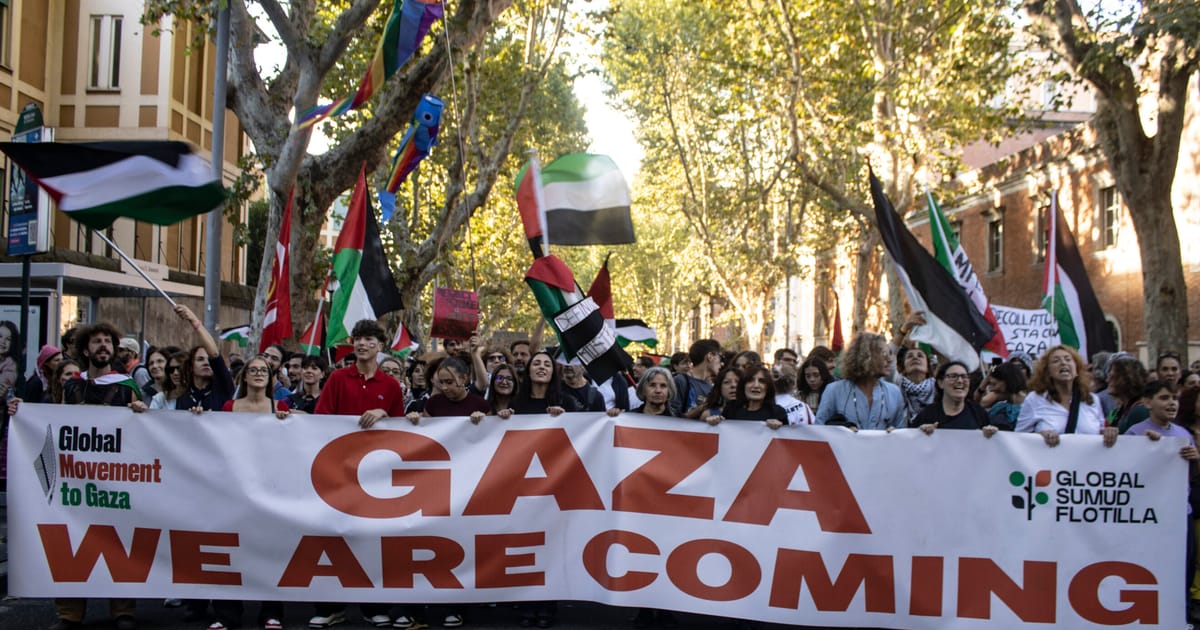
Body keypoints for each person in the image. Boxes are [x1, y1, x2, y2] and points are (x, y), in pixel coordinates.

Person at [309, 319, 407, 629]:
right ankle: (330, 606)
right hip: (338, 472)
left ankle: (372, 605)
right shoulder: (338, 378)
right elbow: (321, 420)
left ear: (380, 346)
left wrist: (385, 413)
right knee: (334, 536)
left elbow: (402, 432)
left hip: (375, 477)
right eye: (358, 339)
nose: (362, 344)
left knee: (372, 539)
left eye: (368, 339)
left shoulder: (390, 387)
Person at [54, 321, 147, 630]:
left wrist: (140, 414)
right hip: (80, 477)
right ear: (85, 349)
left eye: (108, 341)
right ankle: (70, 614)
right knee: (74, 541)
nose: (103, 346)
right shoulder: (72, 385)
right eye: (97, 342)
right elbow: (59, 424)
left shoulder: (127, 386)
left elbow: (143, 430)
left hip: (118, 477)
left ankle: (123, 611)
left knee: (119, 541)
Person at [209, 354, 289, 630]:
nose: (257, 373)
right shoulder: (230, 407)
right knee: (231, 550)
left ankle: (271, 612)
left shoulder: (280, 406)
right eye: (252, 369)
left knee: (269, 551)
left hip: (270, 489)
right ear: (243, 377)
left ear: (270, 378)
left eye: (263, 370)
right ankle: (226, 614)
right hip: (235, 487)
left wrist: (289, 420)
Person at [1124, 379, 1199, 620]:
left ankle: (1181, 618)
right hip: (1148, 518)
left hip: (1180, 514)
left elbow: (1190, 477)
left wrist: (1195, 459)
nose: (1172, 403)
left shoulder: (1183, 434)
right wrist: (1145, 448)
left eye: (1174, 398)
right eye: (1164, 398)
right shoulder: (1136, 432)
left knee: (1183, 570)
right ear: (1147, 402)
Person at [1016, 345, 1117, 448]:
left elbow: (1099, 431)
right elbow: (1019, 438)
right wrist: (1039, 437)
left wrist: (1108, 432)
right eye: (1056, 361)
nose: (1063, 363)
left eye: (1068, 359)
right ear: (1047, 371)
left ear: (1077, 368)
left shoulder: (1092, 399)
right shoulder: (1035, 399)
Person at [815, 332, 905, 431]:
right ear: (866, 356)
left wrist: (895, 433)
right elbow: (819, 430)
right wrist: (842, 429)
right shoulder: (834, 391)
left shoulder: (894, 393)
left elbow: (901, 432)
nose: (889, 359)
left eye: (890, 354)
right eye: (884, 354)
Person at [913, 361, 1005, 435]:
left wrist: (991, 434)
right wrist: (920, 433)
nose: (960, 381)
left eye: (964, 377)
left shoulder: (978, 413)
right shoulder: (927, 415)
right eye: (953, 376)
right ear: (940, 383)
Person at [175, 305, 236, 414]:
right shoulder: (183, 397)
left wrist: (194, 320)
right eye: (200, 359)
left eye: (208, 359)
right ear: (191, 366)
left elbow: (214, 353)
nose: (206, 363)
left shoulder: (222, 387)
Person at [411, 356, 491, 424]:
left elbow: (491, 434)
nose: (444, 387)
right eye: (441, 382)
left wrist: (483, 421)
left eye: (449, 382)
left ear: (463, 378)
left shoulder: (481, 405)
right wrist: (414, 420)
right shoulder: (432, 404)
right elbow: (425, 434)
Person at [708, 365, 788, 428]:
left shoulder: (778, 413)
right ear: (743, 385)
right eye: (750, 380)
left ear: (768, 387)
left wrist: (781, 428)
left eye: (762, 381)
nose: (756, 385)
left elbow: (787, 444)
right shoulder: (731, 409)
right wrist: (713, 423)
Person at [511, 350, 582, 417]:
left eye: (547, 365)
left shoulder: (566, 402)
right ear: (529, 371)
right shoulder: (515, 403)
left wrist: (563, 416)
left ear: (552, 373)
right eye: (536, 364)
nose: (542, 367)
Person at [672, 339, 721, 416]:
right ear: (710, 356)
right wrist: (699, 409)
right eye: (720, 357)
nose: (721, 362)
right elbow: (672, 418)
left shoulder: (713, 387)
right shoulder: (681, 381)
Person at [1105, 356, 1150, 432]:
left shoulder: (1140, 411)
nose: (1107, 380)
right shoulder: (1118, 411)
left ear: (1127, 379)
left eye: (1112, 377)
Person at [979, 361, 1026, 429]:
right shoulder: (999, 406)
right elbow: (977, 405)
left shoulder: (1031, 407)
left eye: (994, 384)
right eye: (989, 384)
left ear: (1008, 382)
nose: (991, 389)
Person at [0, 320, 20, 398]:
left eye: (8, 339)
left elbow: (3, 383)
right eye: (0, 336)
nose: (3, 342)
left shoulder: (10, 364)